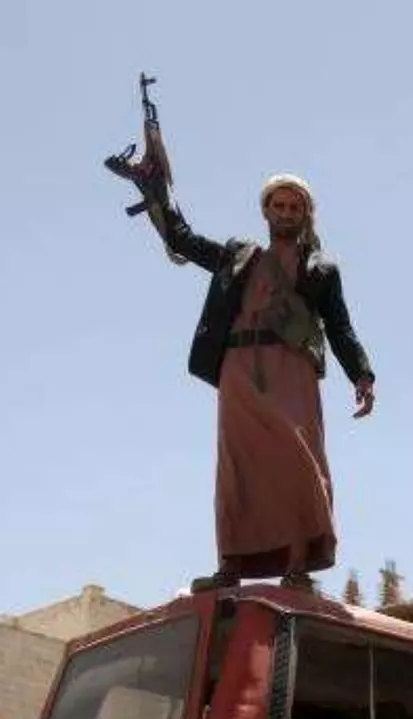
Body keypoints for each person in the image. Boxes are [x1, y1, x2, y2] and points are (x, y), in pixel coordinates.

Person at [153, 173, 377, 593]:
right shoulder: (240, 256)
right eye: (280, 206)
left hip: (293, 369)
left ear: (305, 213)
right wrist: (154, 194)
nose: (287, 213)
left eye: (296, 207)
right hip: (239, 367)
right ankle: (230, 566)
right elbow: (183, 240)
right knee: (238, 466)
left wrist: (362, 374)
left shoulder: (321, 268)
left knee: (297, 462)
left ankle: (296, 566)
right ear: (266, 211)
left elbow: (340, 327)